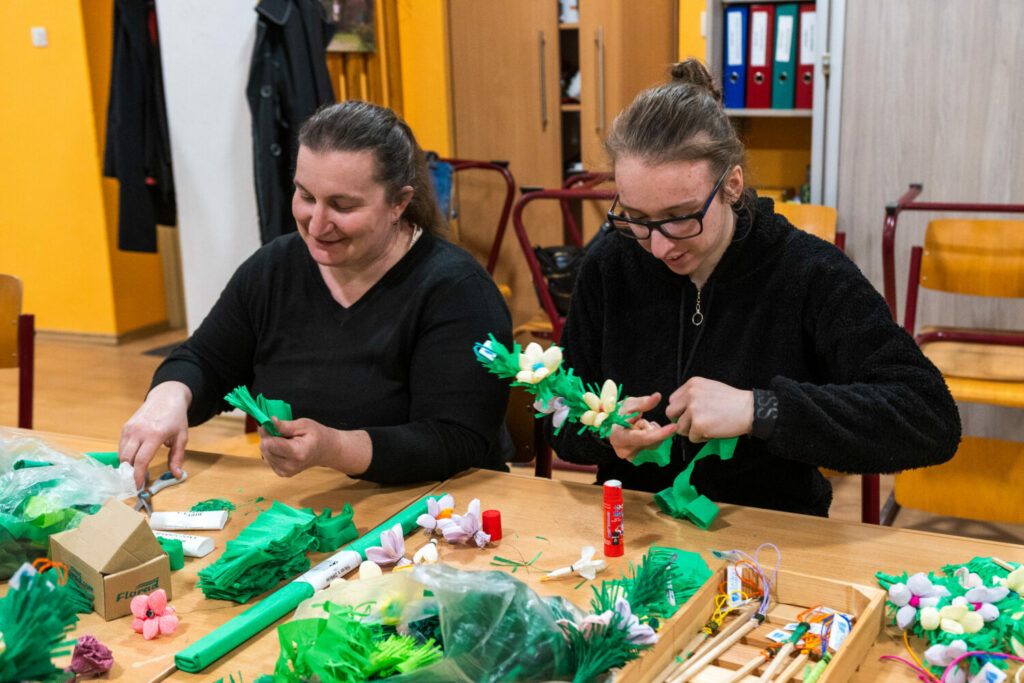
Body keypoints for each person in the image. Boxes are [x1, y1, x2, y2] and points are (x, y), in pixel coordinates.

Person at [547, 60, 960, 516]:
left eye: (681, 216)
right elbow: (555, 409)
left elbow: (929, 417)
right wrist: (603, 433)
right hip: (634, 522)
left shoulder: (809, 272)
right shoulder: (609, 265)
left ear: (732, 185)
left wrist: (761, 410)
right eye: (637, 218)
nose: (660, 246)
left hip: (770, 532)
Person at [119, 101, 513, 489]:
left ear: (399, 203)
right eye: (306, 196)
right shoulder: (274, 269)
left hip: (437, 506)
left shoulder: (457, 291)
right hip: (311, 496)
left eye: (342, 206)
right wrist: (168, 398)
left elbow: (455, 439)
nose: (317, 224)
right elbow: (206, 361)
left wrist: (335, 448)